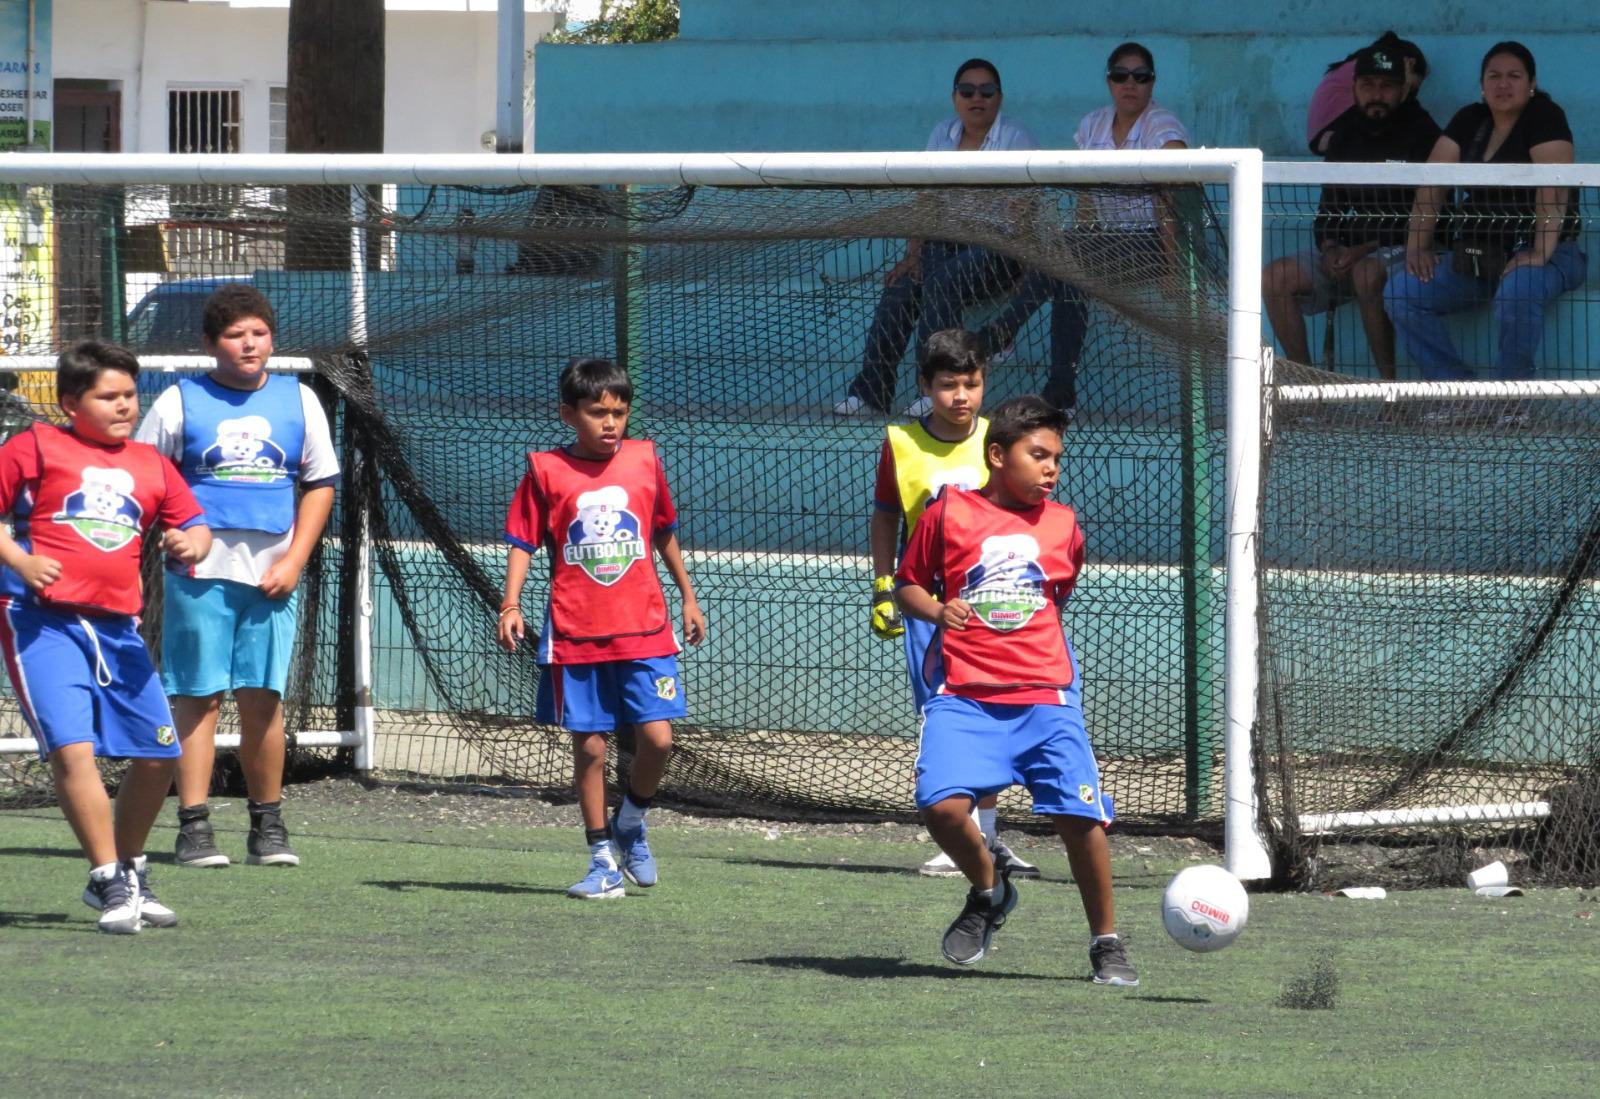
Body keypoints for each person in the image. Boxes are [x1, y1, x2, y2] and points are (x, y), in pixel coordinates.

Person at [894, 395, 1135, 985]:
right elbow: (907, 586)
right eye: (1039, 455)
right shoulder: (948, 515)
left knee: (1081, 820)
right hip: (964, 693)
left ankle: (1106, 942)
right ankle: (989, 889)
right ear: (997, 455)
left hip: (1045, 696)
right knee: (941, 805)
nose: (1052, 467)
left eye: (1057, 457)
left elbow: (1056, 597)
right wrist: (937, 608)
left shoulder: (1065, 525)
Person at [0, 341, 211, 932]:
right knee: (73, 746)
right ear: (71, 402)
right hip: (39, 620)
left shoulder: (151, 463)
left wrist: (190, 544)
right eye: (108, 396)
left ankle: (132, 868)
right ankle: (106, 879)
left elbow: (195, 527)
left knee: (158, 753)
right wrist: (20, 561)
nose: (124, 405)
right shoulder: (34, 446)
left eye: (129, 395)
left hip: (118, 628)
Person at [135, 284, 341, 868]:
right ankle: (193, 827)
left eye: (258, 332)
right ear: (210, 343)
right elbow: (146, 478)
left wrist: (295, 558)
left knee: (263, 701)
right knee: (197, 699)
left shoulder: (299, 400)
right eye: (234, 334)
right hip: (197, 575)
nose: (248, 344)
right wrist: (175, 535)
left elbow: (320, 484)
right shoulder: (178, 401)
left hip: (273, 577)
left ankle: (267, 826)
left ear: (271, 338)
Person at [496, 357, 707, 899]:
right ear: (570, 414)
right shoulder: (546, 471)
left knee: (658, 739)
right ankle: (600, 860)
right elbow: (523, 541)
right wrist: (510, 603)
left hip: (646, 629)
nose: (611, 423)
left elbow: (663, 532)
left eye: (619, 411)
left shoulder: (644, 460)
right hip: (575, 633)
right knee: (589, 748)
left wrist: (687, 595)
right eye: (598, 413)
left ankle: (631, 823)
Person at [868, 329, 1039, 880]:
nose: (961, 396)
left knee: (992, 713)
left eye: (972, 383)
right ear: (925, 385)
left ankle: (985, 838)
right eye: (948, 385)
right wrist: (883, 584)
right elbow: (887, 516)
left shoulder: (999, 440)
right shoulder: (900, 442)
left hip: (997, 602)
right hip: (930, 606)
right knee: (946, 717)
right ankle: (963, 835)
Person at [979, 42, 1191, 416]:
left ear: (1152, 83)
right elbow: (1086, 200)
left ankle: (1003, 333)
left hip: (1154, 241)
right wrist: (1075, 245)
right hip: (1105, 241)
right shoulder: (1093, 124)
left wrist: (1175, 269)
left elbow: (1170, 203)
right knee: (1067, 276)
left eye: (1140, 77)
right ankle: (1061, 393)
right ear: (1109, 82)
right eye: (1120, 76)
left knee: (1067, 260)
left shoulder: (1164, 128)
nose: (1130, 84)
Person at [833, 58, 1039, 417]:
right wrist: (913, 255)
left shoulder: (1015, 138)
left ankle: (932, 389)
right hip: (948, 244)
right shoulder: (941, 135)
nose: (977, 97)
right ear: (954, 97)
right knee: (903, 286)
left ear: (999, 98)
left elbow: (1025, 213)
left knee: (942, 279)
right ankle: (871, 391)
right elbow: (926, 201)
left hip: (1000, 249)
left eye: (986, 91)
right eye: (968, 90)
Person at [1385, 41, 1586, 381]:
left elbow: (1554, 185)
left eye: (1514, 76)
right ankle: (1458, 393)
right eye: (1494, 76)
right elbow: (1433, 182)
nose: (1502, 84)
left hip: (1551, 253)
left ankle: (1510, 400)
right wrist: (1417, 245)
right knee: (1401, 292)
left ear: (1532, 83)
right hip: (1481, 254)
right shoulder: (1469, 119)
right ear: (1482, 84)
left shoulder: (1546, 116)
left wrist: (1539, 252)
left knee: (1519, 289)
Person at [1264, 44, 1441, 377]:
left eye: (1386, 86)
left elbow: (1434, 220)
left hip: (1404, 253)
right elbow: (1328, 210)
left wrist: (1363, 250)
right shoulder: (1345, 134)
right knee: (1274, 277)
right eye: (1368, 85)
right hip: (1349, 255)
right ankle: (1307, 387)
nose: (1377, 94)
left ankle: (1389, 394)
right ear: (1355, 88)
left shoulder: (1425, 133)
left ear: (1403, 89)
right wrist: (1331, 248)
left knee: (1367, 272)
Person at [1308, 31, 1430, 155]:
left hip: (1322, 137)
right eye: (1416, 83)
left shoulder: (1361, 62)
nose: (1415, 88)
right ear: (1409, 62)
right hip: (1329, 136)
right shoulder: (1369, 68)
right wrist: (1407, 85)